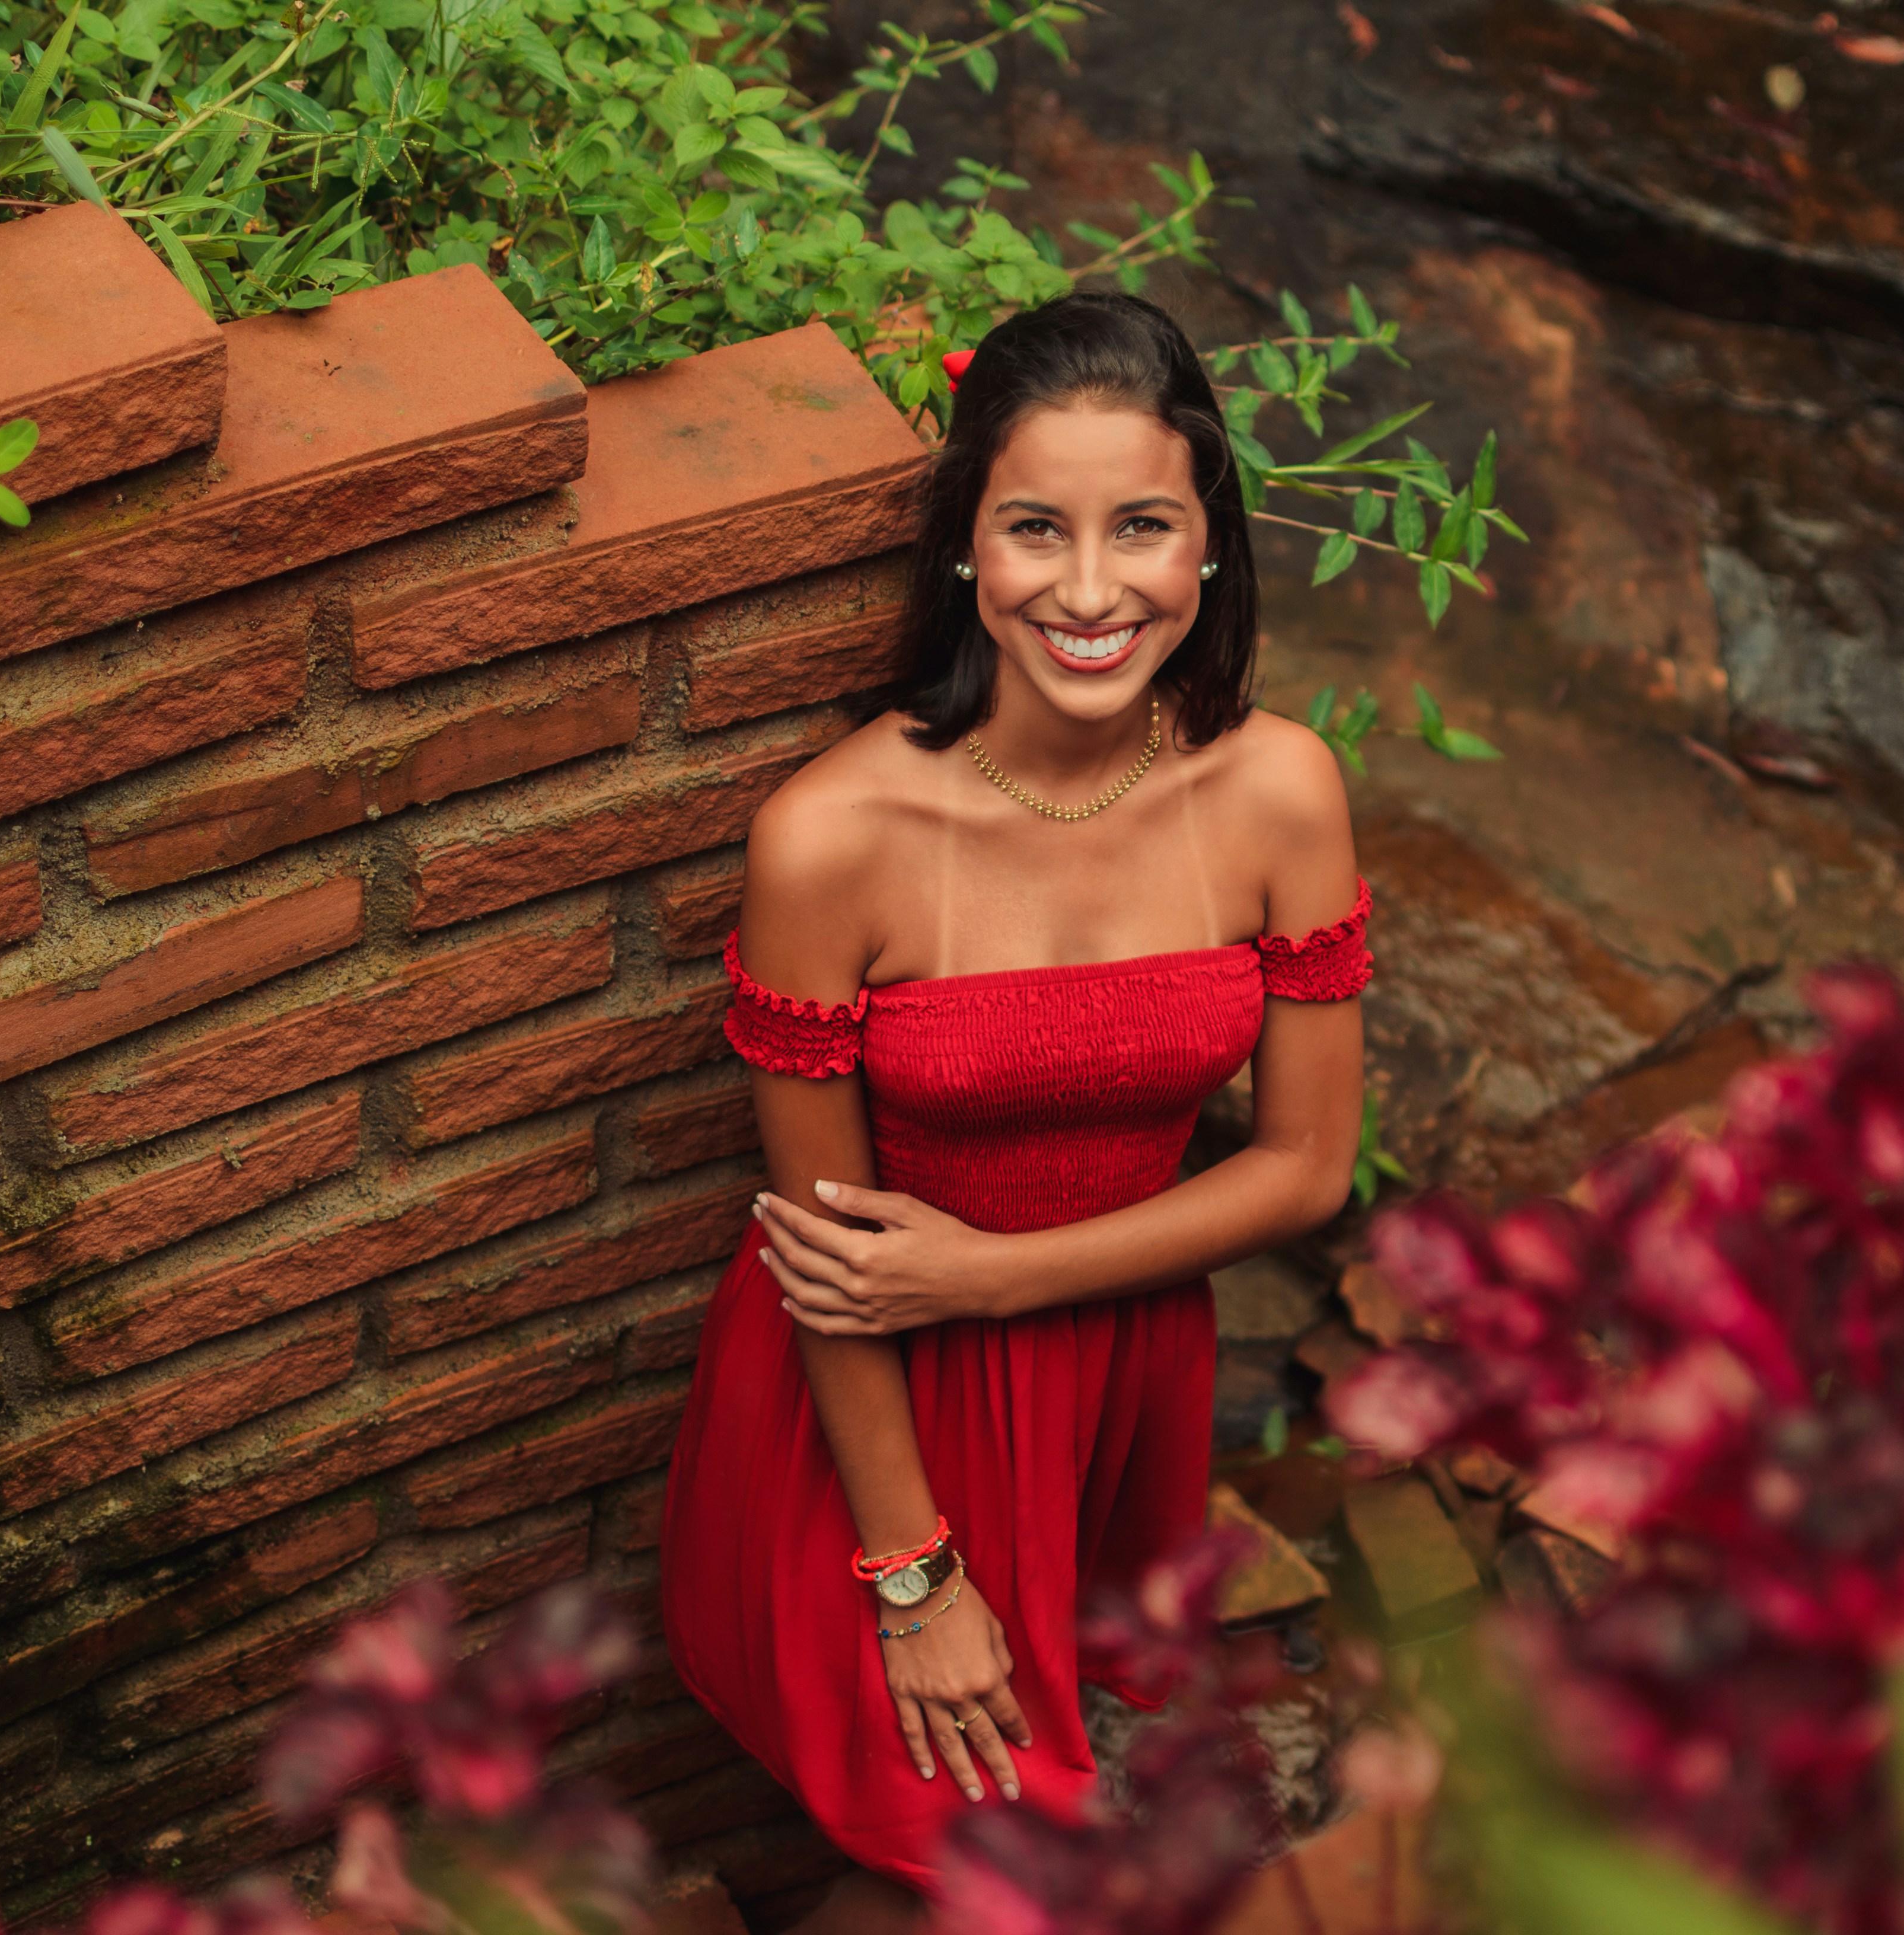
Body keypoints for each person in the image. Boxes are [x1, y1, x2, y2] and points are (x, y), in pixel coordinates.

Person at [657, 290, 1370, 1932]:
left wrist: (990, 1276)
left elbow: (1310, 1165)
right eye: (1037, 528)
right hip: (872, 1421)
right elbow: (836, 1272)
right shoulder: (829, 842)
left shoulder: (1279, 791)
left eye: (1144, 528)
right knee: (993, 1862)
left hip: (1122, 1375)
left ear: (1210, 546)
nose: (1094, 589)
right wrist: (911, 1586)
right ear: (969, 550)